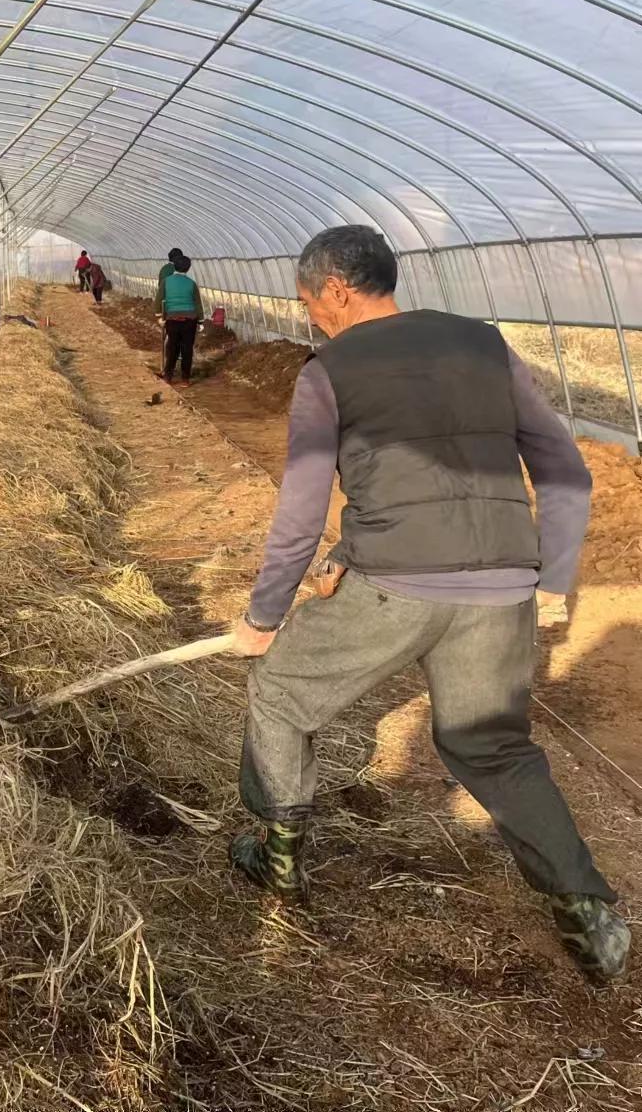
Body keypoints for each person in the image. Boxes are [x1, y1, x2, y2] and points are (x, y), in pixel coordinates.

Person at [229, 224, 627, 982]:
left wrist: (263, 617)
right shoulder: (484, 345)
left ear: (336, 291)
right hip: (502, 586)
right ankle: (587, 910)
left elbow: (300, 512)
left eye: (308, 301)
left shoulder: (329, 370)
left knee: (280, 693)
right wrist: (550, 578)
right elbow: (564, 472)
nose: (309, 316)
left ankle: (277, 858)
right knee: (492, 746)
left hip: (398, 585)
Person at [154, 251, 202, 385]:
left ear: (174, 266)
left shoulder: (166, 281)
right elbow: (197, 303)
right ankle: (185, 379)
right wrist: (201, 321)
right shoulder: (191, 283)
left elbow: (158, 300)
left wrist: (159, 316)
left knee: (172, 347)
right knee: (187, 349)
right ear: (188, 268)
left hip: (172, 319)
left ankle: (168, 376)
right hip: (190, 320)